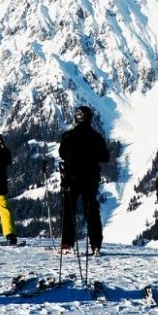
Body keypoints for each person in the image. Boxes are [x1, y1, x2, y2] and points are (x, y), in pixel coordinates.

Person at [58, 105, 110, 256]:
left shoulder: (68, 136)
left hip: (71, 178)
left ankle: (67, 243)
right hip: (90, 178)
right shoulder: (96, 137)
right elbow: (105, 157)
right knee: (91, 211)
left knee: (69, 210)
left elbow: (62, 153)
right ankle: (95, 245)